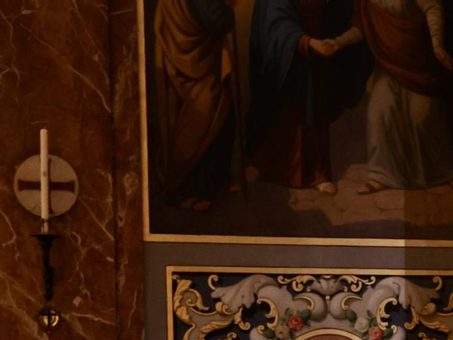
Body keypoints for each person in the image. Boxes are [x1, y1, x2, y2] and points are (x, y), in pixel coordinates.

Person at [245, 0, 368, 195]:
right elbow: (275, 20)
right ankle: (263, 163)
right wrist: (306, 42)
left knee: (315, 105)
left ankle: (317, 174)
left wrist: (336, 40)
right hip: (288, 50)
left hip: (322, 47)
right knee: (281, 109)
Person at [353, 0, 453, 194]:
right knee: (379, 113)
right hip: (388, 68)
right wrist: (337, 42)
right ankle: (381, 175)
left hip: (418, 65)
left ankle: (446, 171)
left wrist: (437, 44)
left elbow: (432, 7)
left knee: (421, 118)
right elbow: (361, 28)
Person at [151, 0, 237, 210]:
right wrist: (228, 7)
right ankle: (182, 189)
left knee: (222, 116)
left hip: (195, 52)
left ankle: (213, 183)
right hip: (193, 58)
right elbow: (217, 19)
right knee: (200, 121)